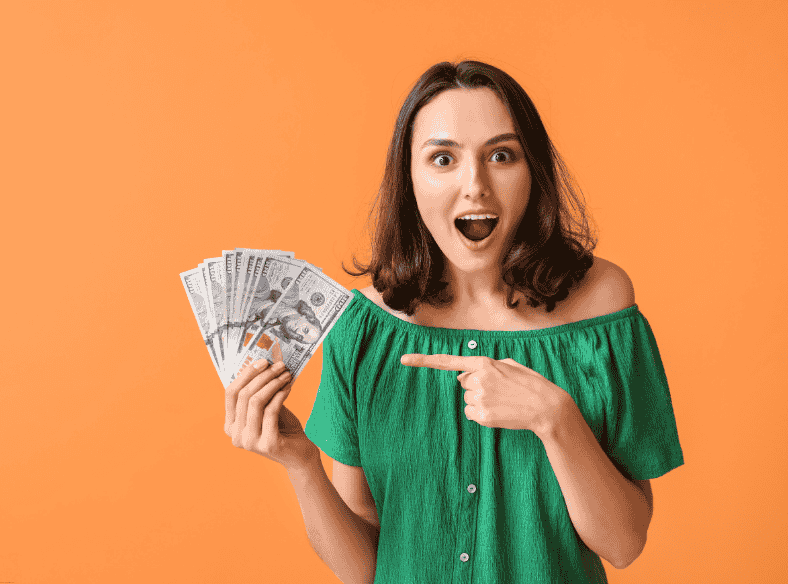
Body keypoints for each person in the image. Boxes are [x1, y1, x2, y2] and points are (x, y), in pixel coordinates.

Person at [223, 60, 684, 583]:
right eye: (443, 158)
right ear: (410, 179)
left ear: (532, 171)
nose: (475, 186)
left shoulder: (602, 305)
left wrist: (554, 419)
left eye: (502, 155)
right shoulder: (364, 327)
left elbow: (624, 544)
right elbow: (366, 570)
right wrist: (301, 463)